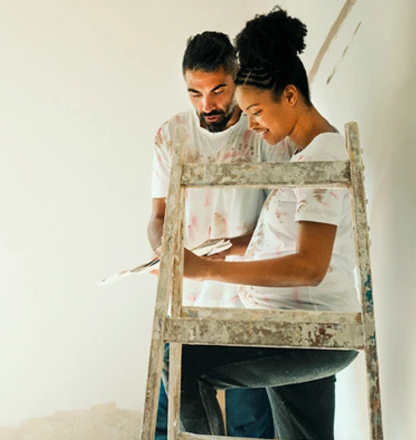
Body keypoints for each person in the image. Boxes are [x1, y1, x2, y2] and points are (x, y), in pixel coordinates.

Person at [174, 8, 360, 438]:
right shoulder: (306, 158)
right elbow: (303, 246)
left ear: (290, 96)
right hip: (297, 322)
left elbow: (308, 267)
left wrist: (206, 270)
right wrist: (238, 245)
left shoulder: (321, 158)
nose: (252, 125)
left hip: (303, 328)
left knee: (185, 364)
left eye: (256, 111)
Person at [148, 31, 291, 439]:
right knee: (172, 419)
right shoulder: (170, 136)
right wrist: (165, 253)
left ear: (236, 79)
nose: (207, 105)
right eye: (195, 93)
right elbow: (156, 217)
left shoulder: (260, 130)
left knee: (252, 424)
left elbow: (278, 225)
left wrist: (216, 259)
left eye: (218, 90)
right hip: (186, 300)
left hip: (250, 299)